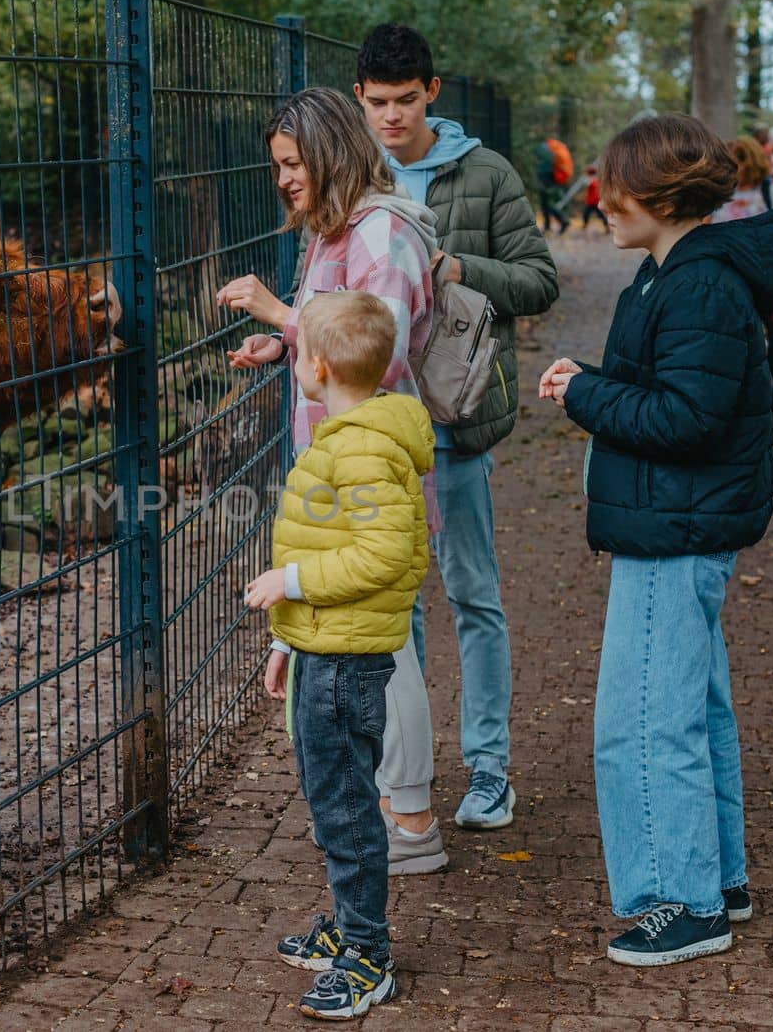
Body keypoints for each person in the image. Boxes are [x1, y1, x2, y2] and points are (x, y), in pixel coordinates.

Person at [538, 113, 773, 966]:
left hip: (676, 529)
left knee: (643, 722)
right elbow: (678, 393)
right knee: (693, 709)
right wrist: (596, 383)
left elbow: (689, 417)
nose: (600, 198)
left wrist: (585, 399)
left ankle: (682, 900)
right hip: (676, 517)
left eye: (615, 185)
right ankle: (720, 879)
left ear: (660, 195)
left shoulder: (697, 286)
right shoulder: (669, 275)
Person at [218, 86, 443, 871]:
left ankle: (409, 821)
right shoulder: (334, 231)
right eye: (277, 165)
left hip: (367, 468)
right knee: (364, 641)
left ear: (330, 151)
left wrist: (280, 315)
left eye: (292, 162)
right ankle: (374, 806)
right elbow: (331, 333)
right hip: (332, 463)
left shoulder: (382, 233)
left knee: (389, 644)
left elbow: (371, 354)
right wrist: (280, 348)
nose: (282, 178)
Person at [351, 23, 559, 839]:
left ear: (432, 91)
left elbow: (540, 280)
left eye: (406, 101)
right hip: (376, 428)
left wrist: (461, 269)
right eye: (377, 103)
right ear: (360, 97)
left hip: (456, 423)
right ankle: (404, 778)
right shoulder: (353, 176)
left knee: (472, 596)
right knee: (392, 609)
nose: (392, 117)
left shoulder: (487, 173)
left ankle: (490, 771)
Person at [245, 290, 434, 1019]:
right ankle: (352, 930)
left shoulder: (358, 447)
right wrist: (290, 638)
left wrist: (290, 583)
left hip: (349, 658)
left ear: (315, 366)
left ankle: (368, 953)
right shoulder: (348, 435)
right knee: (334, 799)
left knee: (348, 806)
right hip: (326, 646)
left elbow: (383, 554)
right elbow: (333, 541)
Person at [714, 136, 773, 425]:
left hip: (759, 277)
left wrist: (754, 244)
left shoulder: (768, 191)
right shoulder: (721, 191)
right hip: (727, 277)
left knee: (770, 339)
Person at [534, 139, 572, 233]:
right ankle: (548, 226)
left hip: (547, 180)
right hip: (552, 180)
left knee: (547, 203)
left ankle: (563, 221)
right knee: (547, 204)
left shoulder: (544, 152)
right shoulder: (552, 150)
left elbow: (545, 167)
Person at [583, 164, 608, 231]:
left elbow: (589, 184)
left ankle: (606, 226)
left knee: (600, 215)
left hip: (594, 202)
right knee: (586, 214)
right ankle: (585, 225)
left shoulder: (593, 180)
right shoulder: (594, 180)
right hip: (591, 201)